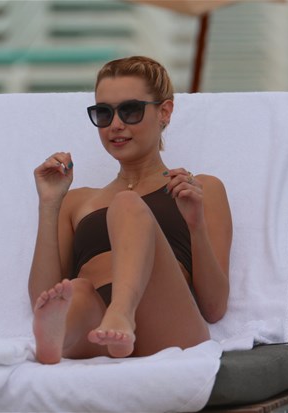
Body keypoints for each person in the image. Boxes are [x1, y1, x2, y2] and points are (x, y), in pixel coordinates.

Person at [28, 56, 232, 364]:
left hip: (169, 324)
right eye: (104, 113)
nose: (116, 125)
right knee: (77, 291)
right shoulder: (76, 201)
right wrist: (48, 203)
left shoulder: (199, 189)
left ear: (164, 112)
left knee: (126, 203)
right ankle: (60, 337)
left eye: (130, 110)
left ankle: (122, 312)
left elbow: (214, 308)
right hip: (97, 327)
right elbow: (42, 297)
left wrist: (196, 225)